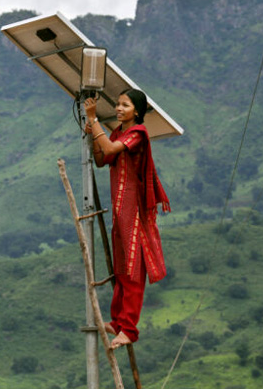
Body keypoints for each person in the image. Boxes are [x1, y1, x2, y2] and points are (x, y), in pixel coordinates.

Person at [83, 88, 170, 350]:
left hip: (135, 210)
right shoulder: (119, 133)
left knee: (133, 270)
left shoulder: (138, 134)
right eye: (118, 104)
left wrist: (94, 119)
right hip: (121, 209)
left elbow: (109, 148)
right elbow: (102, 159)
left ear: (137, 111)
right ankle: (119, 321)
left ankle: (129, 330)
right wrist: (93, 134)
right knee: (121, 268)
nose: (119, 109)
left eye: (125, 105)